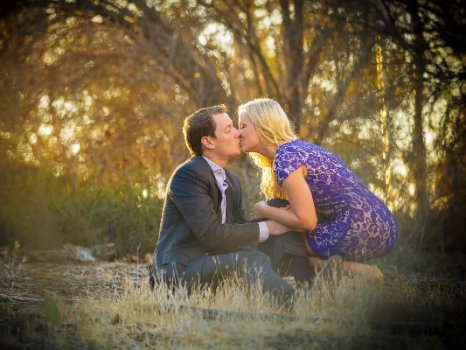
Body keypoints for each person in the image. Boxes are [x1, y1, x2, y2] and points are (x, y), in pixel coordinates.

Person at [149, 105, 342, 309]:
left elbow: (240, 232)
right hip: (179, 272)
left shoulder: (231, 181)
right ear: (208, 142)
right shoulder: (188, 175)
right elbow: (211, 235)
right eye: (228, 129)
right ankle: (299, 303)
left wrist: (277, 219)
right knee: (250, 258)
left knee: (279, 221)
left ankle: (311, 288)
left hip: (216, 265)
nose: (237, 133)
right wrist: (269, 227)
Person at [238, 98, 398, 286]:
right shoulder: (295, 150)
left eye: (242, 126)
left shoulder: (285, 157)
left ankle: (363, 273)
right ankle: (349, 277)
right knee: (293, 241)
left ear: (261, 125)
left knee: (290, 245)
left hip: (357, 225)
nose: (238, 133)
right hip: (384, 224)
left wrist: (263, 210)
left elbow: (307, 220)